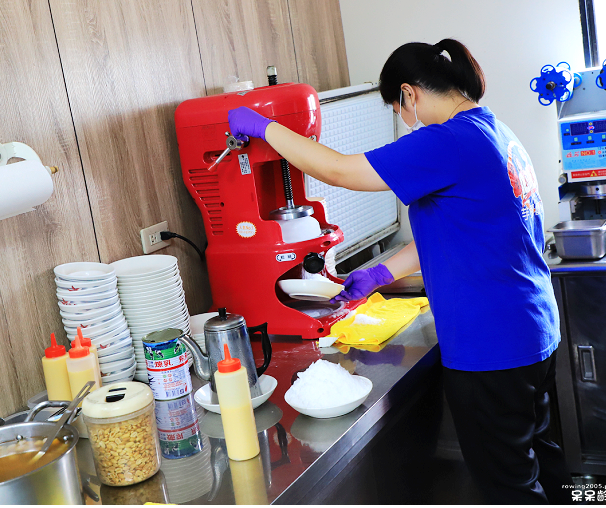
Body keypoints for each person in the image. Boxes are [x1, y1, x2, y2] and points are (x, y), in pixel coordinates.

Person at [228, 38, 574, 504]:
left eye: (398, 107)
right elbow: (459, 231)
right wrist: (378, 274)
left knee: (507, 486)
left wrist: (263, 126)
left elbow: (338, 171)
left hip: (490, 345)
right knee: (542, 460)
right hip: (532, 332)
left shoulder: (446, 139)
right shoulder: (493, 131)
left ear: (409, 94)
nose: (404, 120)